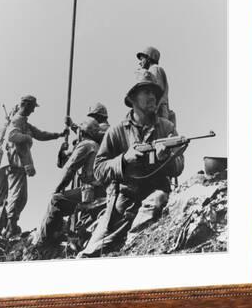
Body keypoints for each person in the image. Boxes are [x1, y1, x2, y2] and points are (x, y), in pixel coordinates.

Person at [79, 72, 186, 257]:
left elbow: (179, 167)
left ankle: (132, 245)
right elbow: (98, 170)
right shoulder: (116, 131)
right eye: (146, 92)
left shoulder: (167, 128)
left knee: (157, 199)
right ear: (133, 98)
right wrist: (124, 160)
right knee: (88, 254)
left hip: (155, 196)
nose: (152, 96)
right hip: (124, 203)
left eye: (154, 92)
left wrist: (165, 159)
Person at [36, 117, 104, 246]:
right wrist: (63, 151)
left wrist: (58, 188)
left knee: (56, 200)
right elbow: (65, 162)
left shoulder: (86, 145)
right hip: (98, 189)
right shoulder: (94, 145)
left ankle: (43, 243)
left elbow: (70, 168)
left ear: (82, 132)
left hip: (92, 191)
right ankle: (59, 234)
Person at [4, 95, 65, 237]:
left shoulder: (25, 122)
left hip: (20, 165)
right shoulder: (17, 119)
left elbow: (41, 134)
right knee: (16, 195)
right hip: (16, 164)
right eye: (32, 107)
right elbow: (11, 136)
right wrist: (27, 138)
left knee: (22, 197)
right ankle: (9, 227)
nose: (33, 111)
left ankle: (11, 225)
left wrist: (58, 135)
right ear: (26, 105)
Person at [136, 46, 170, 120]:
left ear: (148, 58)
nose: (140, 62)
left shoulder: (154, 69)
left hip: (158, 112)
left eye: (142, 59)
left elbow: (157, 91)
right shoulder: (153, 70)